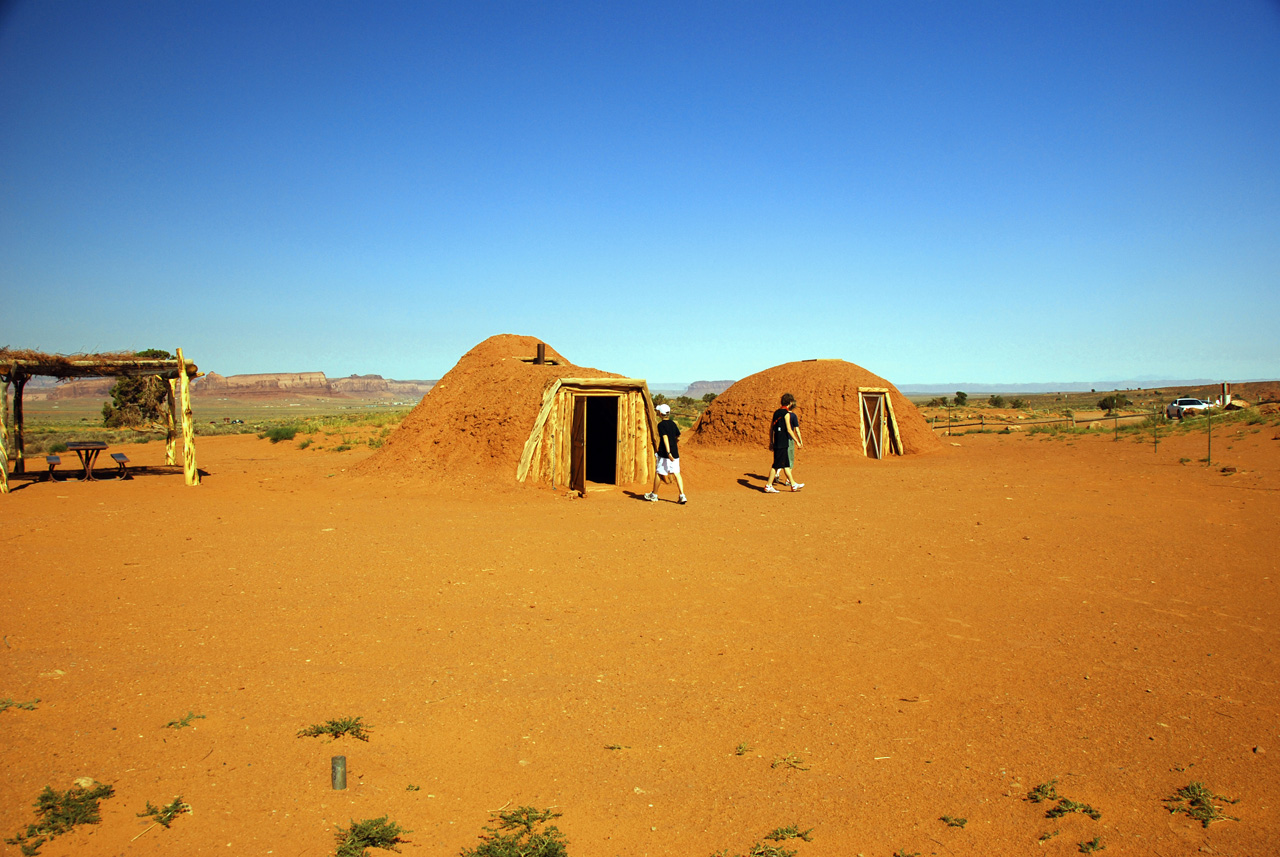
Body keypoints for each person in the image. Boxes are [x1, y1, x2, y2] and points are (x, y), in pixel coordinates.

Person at [646, 403, 687, 504]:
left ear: (660, 413)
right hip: (675, 453)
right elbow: (678, 437)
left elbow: (665, 438)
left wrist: (668, 452)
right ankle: (682, 495)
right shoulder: (673, 423)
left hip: (665, 454)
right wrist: (674, 446)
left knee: (659, 473)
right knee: (677, 473)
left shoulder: (661, 425)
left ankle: (654, 495)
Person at [765, 393, 804, 493]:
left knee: (786, 464)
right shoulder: (786, 414)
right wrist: (797, 442)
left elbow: (771, 429)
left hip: (777, 441)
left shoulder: (776, 413)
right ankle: (768, 485)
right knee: (776, 465)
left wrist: (771, 442)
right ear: (790, 403)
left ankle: (793, 484)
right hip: (783, 443)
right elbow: (789, 430)